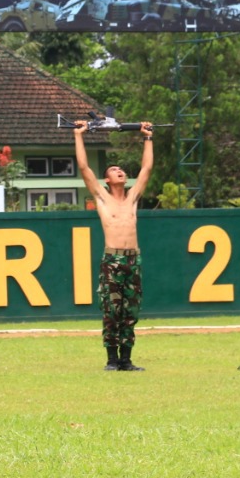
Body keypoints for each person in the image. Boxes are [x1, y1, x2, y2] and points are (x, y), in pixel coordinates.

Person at [75, 121, 154, 372]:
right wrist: (79, 135)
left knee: (130, 312)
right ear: (107, 180)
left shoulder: (132, 199)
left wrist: (148, 137)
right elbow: (84, 167)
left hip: (133, 260)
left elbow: (147, 169)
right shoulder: (102, 197)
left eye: (121, 169)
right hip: (113, 261)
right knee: (112, 311)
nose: (119, 171)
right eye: (114, 169)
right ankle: (111, 360)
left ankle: (126, 360)